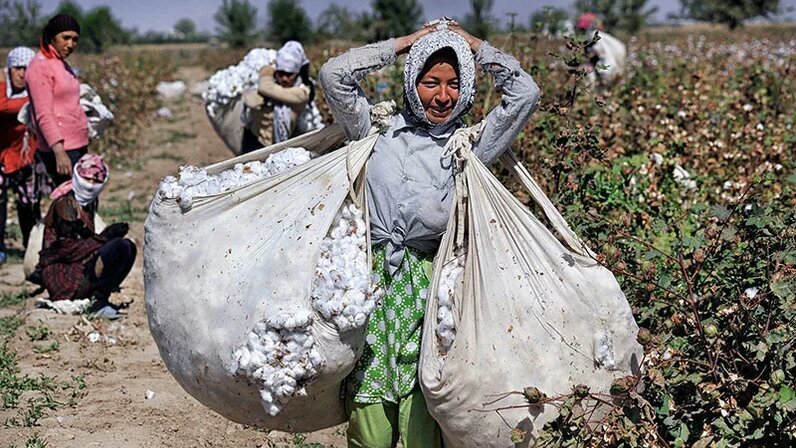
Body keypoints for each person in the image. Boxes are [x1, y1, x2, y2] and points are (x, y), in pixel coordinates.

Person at [319, 20, 540, 447]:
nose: (442, 96)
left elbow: (525, 94)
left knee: (427, 407)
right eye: (430, 82)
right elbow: (334, 76)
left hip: (435, 292)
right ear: (411, 79)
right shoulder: (376, 130)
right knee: (369, 417)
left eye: (454, 84)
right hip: (371, 287)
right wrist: (404, 43)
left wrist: (475, 45)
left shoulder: (469, 146)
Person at [32, 154, 135, 319]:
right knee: (117, 247)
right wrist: (104, 238)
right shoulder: (65, 204)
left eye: (96, 181)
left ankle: (99, 300)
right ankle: (95, 301)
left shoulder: (89, 203)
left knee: (126, 247)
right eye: (87, 179)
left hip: (80, 263)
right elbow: (65, 249)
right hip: (60, 273)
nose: (91, 185)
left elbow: (85, 242)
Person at [25, 14, 89, 187]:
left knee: (83, 201)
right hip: (62, 148)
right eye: (65, 38)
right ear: (52, 37)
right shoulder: (40, 67)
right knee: (71, 204)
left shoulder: (61, 64)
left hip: (77, 145)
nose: (71, 44)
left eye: (75, 39)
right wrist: (59, 152)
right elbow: (43, 114)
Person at [242, 41, 322, 152]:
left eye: (289, 74)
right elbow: (251, 101)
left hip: (282, 145)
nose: (284, 79)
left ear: (298, 73)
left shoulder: (302, 92)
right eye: (280, 73)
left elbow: (265, 88)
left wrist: (266, 74)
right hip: (255, 140)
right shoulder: (268, 87)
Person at [0, 47, 40, 263]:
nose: (23, 74)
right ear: (9, 69)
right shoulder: (2, 89)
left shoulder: (35, 92)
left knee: (28, 203)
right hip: (2, 156)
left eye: (28, 69)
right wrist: (31, 102)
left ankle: (30, 246)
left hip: (25, 157)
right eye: (18, 68)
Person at [575, 13, 627, 86]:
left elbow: (596, 50)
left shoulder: (593, 35)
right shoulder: (598, 35)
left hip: (606, 68)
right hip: (610, 67)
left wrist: (584, 56)